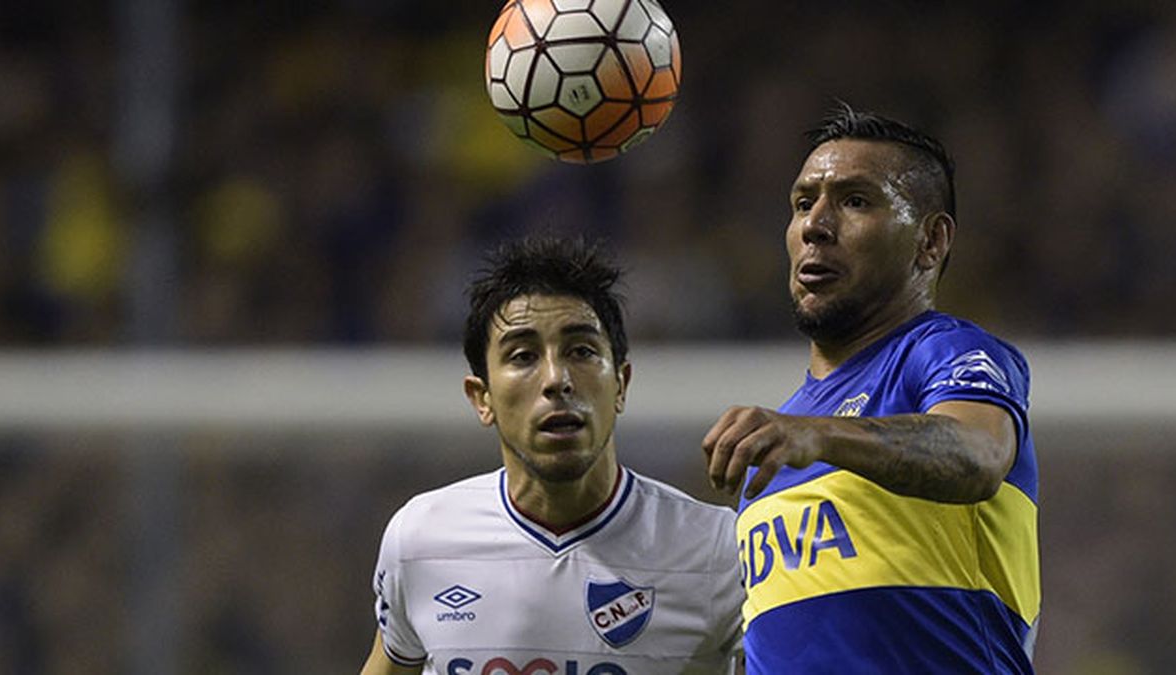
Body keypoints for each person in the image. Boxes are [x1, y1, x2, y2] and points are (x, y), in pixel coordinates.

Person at [703, 105, 1041, 674]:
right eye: (803, 202)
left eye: (856, 200)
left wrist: (817, 435)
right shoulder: (779, 441)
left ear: (930, 241)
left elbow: (978, 455)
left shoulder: (945, 352)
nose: (815, 224)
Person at [360, 236, 744, 675]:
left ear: (620, 384)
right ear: (481, 397)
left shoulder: (716, 551)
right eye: (523, 356)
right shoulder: (420, 539)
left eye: (581, 351)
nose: (556, 379)